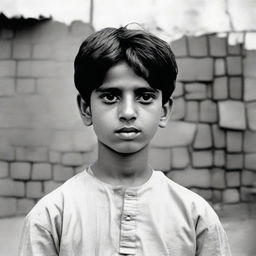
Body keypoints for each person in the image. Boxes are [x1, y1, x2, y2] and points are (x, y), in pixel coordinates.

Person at [19, 25, 231, 256]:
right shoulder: (52, 216)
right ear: (86, 109)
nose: (128, 112)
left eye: (145, 96)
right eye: (110, 96)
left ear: (164, 110)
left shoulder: (195, 216)